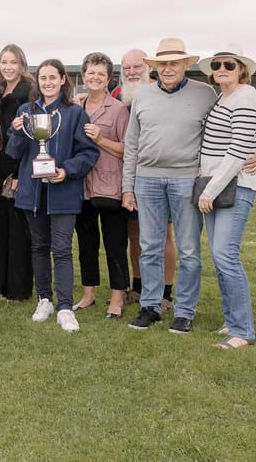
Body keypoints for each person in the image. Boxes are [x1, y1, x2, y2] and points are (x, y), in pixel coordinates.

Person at [122, 38, 217, 332]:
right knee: (149, 246)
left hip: (186, 179)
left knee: (188, 248)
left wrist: (253, 150)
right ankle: (150, 306)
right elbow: (132, 145)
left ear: (185, 65)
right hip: (147, 180)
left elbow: (223, 129)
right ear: (155, 67)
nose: (168, 68)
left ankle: (185, 311)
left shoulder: (205, 94)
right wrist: (128, 186)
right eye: (162, 63)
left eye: (174, 63)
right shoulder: (143, 96)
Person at [7, 59, 98, 332]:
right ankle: (44, 299)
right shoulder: (26, 111)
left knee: (61, 249)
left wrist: (66, 171)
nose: (47, 82)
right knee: (38, 246)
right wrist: (18, 131)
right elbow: (13, 152)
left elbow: (89, 153)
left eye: (52, 77)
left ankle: (66, 307)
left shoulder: (74, 113)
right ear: (38, 82)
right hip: (32, 191)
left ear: (62, 80)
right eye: (42, 78)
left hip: (63, 191)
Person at [195, 45, 256, 350]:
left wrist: (210, 190)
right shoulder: (223, 97)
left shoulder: (246, 95)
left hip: (233, 187)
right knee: (221, 257)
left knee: (225, 255)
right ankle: (231, 320)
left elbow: (238, 150)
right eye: (217, 65)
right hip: (216, 186)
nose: (221, 69)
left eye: (229, 65)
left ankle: (242, 330)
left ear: (241, 70)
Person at [118, 48, 177, 310]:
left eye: (137, 67)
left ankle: (165, 292)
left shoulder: (161, 92)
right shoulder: (119, 96)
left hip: (162, 174)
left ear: (148, 68)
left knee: (163, 235)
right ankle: (139, 287)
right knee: (135, 235)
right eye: (126, 67)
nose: (132, 72)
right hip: (130, 175)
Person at [73, 52, 130, 319]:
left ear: (108, 78)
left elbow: (127, 150)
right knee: (86, 243)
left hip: (110, 186)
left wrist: (100, 140)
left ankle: (117, 298)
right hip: (80, 187)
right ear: (84, 75)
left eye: (101, 74)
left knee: (115, 244)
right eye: (91, 72)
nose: (95, 77)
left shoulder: (118, 110)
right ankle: (88, 294)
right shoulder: (75, 107)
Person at [0, 44, 34, 301]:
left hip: (19, 162)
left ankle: (19, 288)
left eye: (12, 62)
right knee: (0, 225)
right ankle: (2, 286)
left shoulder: (28, 92)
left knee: (19, 226)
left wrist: (18, 173)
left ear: (21, 64)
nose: (8, 66)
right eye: (4, 62)